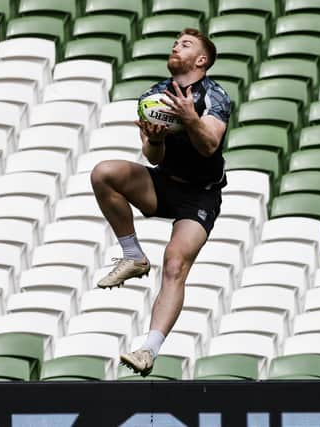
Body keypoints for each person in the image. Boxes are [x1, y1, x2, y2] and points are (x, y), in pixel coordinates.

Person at [90, 28, 231, 376]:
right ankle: (133, 255)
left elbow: (210, 144)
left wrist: (189, 118)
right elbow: (153, 157)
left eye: (185, 45)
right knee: (103, 173)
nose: (175, 47)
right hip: (163, 183)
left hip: (200, 195)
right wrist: (154, 139)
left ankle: (148, 351)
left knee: (174, 264)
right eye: (175, 44)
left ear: (201, 60)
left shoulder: (214, 95)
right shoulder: (155, 95)